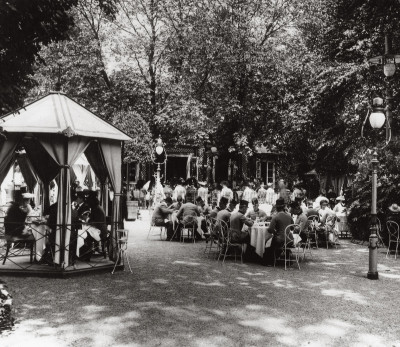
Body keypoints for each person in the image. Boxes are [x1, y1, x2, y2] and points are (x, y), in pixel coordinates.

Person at [263, 198, 294, 266]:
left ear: (276, 208)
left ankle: (269, 262)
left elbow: (270, 229)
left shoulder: (276, 216)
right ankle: (287, 258)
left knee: (269, 244)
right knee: (279, 241)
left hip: (280, 240)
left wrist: (275, 232)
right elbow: (292, 227)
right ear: (284, 207)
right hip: (290, 239)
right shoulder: (289, 216)